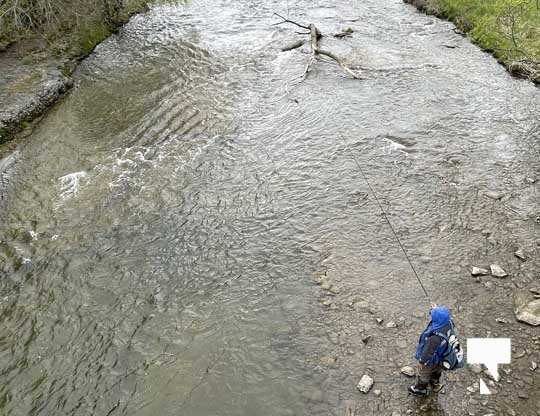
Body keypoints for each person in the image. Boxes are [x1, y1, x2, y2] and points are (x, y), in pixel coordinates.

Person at [408, 303, 453, 396]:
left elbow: (427, 353)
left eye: (433, 315)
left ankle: (420, 389)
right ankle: (435, 383)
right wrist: (436, 310)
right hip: (441, 357)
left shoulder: (434, 338)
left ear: (437, 320)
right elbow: (441, 317)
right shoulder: (448, 323)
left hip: (431, 360)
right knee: (437, 371)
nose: (431, 316)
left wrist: (422, 362)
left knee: (423, 373)